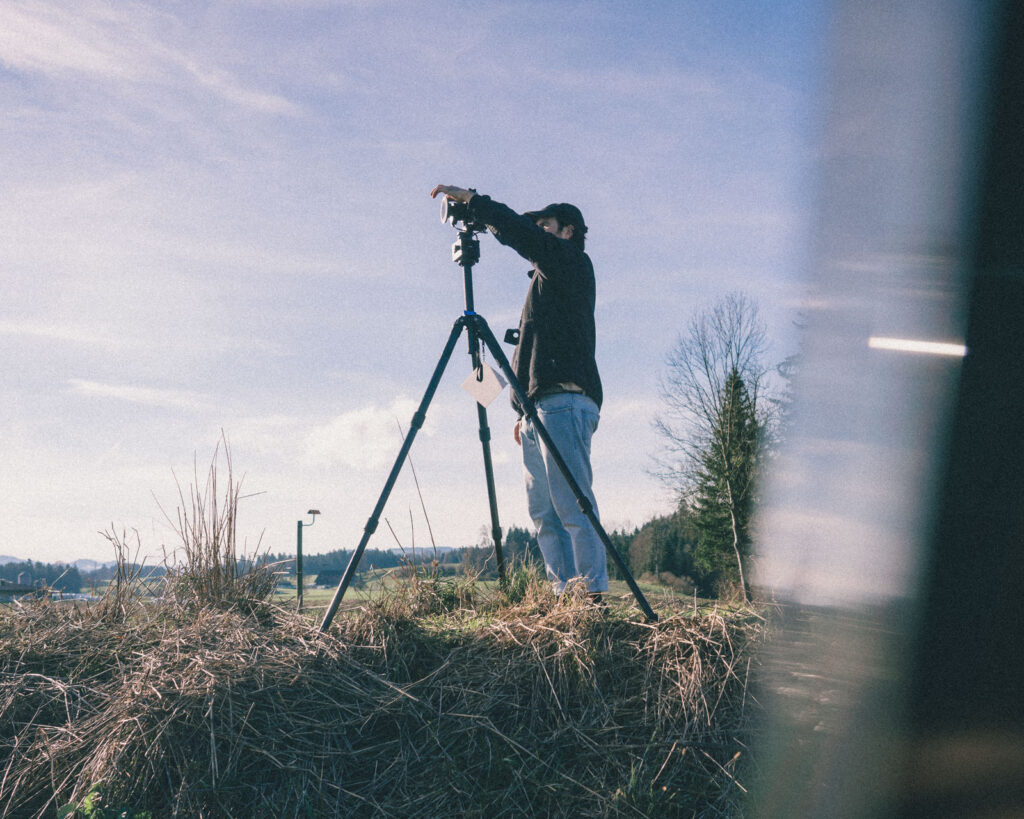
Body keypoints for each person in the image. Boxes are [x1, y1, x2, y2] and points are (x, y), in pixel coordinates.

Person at [430, 185, 608, 600]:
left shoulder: (572, 264)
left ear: (566, 231)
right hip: (538, 409)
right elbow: (529, 357)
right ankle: (565, 596)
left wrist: (476, 204)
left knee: (572, 505)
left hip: (563, 401)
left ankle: (592, 599)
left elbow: (523, 236)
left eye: (544, 225)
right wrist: (518, 410)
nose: (538, 232)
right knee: (544, 514)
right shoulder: (547, 289)